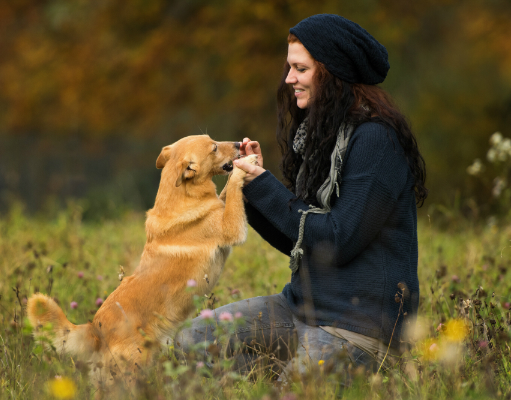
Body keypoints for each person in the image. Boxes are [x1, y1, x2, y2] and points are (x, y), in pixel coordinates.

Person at [176, 13, 427, 381]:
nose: (289, 78)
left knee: (294, 389)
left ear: (331, 72)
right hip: (300, 311)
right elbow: (301, 240)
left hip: (357, 328)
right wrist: (250, 186)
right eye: (289, 67)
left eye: (300, 68)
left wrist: (265, 185)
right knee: (190, 342)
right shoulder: (323, 136)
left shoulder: (375, 141)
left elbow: (337, 241)